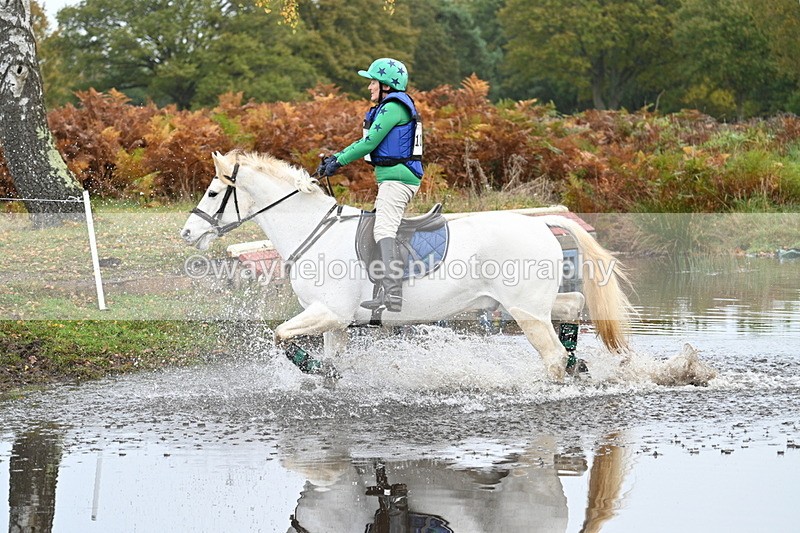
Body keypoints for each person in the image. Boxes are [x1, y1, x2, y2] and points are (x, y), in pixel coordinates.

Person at [318, 57, 423, 313]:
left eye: (373, 81)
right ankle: (383, 287)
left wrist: (338, 160)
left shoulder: (394, 108)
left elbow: (369, 143)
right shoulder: (389, 106)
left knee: (383, 230)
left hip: (398, 179)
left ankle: (394, 292)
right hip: (393, 178)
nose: (369, 87)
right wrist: (335, 159)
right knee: (379, 228)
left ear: (386, 84)